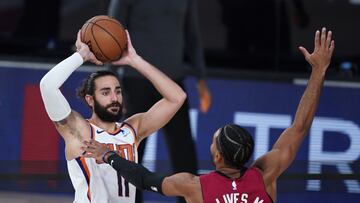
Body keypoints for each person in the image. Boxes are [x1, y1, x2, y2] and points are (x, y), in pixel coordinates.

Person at [82, 28, 334, 203]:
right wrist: (319, 71)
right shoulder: (266, 176)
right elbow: (300, 126)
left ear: (217, 155)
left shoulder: (194, 187)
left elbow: (145, 179)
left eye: (214, 141)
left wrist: (109, 156)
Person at [39, 30, 187, 202]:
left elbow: (177, 97)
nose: (114, 98)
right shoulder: (79, 130)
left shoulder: (132, 130)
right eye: (105, 92)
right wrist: (81, 55)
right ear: (90, 99)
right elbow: (47, 86)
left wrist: (135, 61)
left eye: (118, 91)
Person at [107, 1, 211, 202]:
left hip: (172, 83)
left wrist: (201, 79)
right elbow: (110, 35)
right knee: (131, 153)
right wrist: (112, 83)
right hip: (135, 82)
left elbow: (192, 35)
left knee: (185, 156)